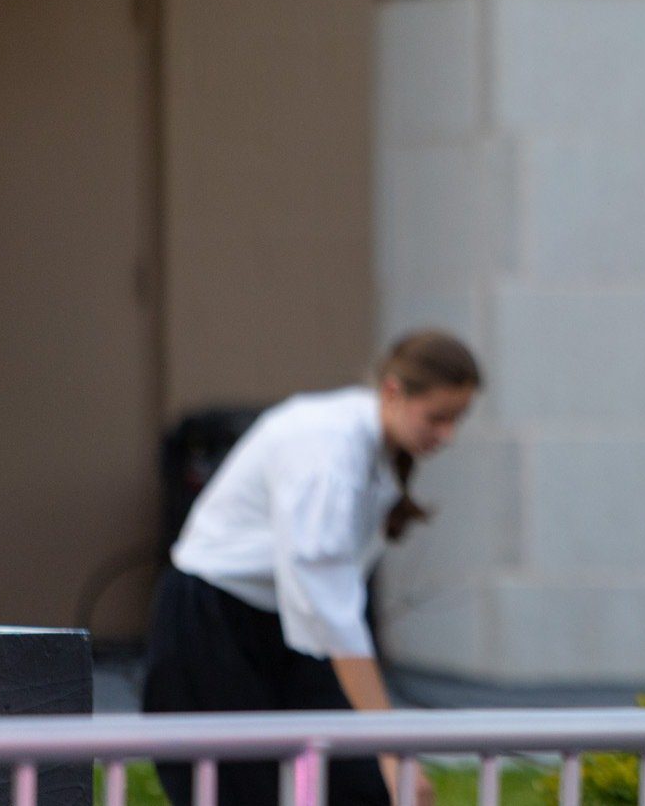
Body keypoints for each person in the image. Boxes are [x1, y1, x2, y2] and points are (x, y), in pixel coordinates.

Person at [142, 331, 482, 806]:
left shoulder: (372, 444)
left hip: (286, 625)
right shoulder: (326, 450)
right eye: (438, 418)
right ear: (392, 392)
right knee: (240, 790)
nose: (447, 435)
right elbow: (332, 613)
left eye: (458, 419)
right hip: (212, 625)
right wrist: (392, 752)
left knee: (361, 787)